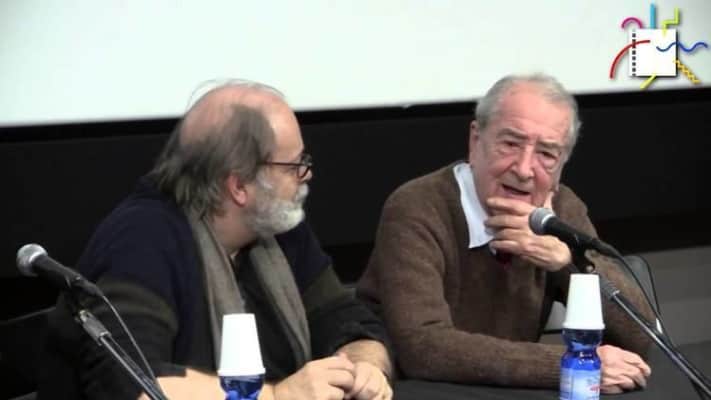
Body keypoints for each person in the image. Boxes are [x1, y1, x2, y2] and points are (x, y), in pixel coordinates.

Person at [39, 81, 392, 400]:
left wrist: (364, 367)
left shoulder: (280, 228)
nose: (307, 174)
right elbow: (133, 385)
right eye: (293, 166)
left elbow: (349, 322)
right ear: (239, 186)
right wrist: (275, 397)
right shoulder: (141, 241)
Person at [357, 73, 654, 393]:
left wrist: (565, 262)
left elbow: (641, 338)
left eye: (546, 154)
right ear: (475, 142)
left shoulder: (562, 209)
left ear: (561, 167)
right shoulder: (418, 207)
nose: (524, 170)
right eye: (511, 144)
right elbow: (423, 348)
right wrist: (569, 365)